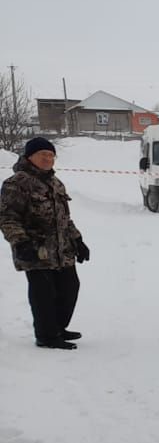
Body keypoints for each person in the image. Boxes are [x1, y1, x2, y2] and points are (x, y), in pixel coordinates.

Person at [0, 137, 89, 350]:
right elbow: (7, 216)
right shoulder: (17, 182)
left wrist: (77, 239)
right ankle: (46, 335)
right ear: (30, 157)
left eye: (51, 155)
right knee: (44, 294)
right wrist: (20, 242)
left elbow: (64, 218)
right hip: (35, 249)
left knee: (69, 288)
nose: (48, 159)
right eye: (43, 155)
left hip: (61, 248)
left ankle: (57, 327)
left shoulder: (55, 182)